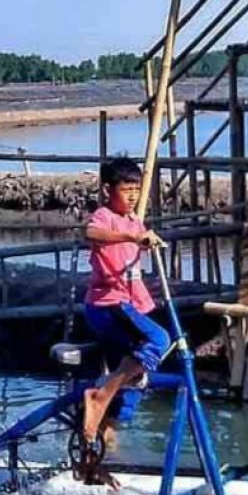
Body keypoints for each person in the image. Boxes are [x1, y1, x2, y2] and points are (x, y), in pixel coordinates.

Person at [80, 156, 170, 448]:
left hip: (128, 303)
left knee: (140, 373)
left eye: (136, 190)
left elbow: (134, 273)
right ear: (108, 190)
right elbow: (90, 232)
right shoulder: (106, 217)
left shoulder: (135, 221)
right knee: (159, 338)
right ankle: (100, 397)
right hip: (108, 304)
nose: (132, 196)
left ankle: (107, 427)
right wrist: (130, 235)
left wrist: (143, 235)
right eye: (126, 189)